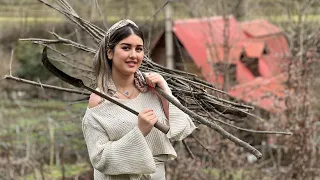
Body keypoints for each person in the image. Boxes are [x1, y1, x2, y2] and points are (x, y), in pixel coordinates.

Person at [82, 19, 196, 180]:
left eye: (139, 49)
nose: (133, 55)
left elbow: (181, 129)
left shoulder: (151, 90)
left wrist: (164, 91)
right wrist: (139, 132)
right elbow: (100, 158)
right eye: (126, 48)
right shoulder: (99, 100)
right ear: (110, 52)